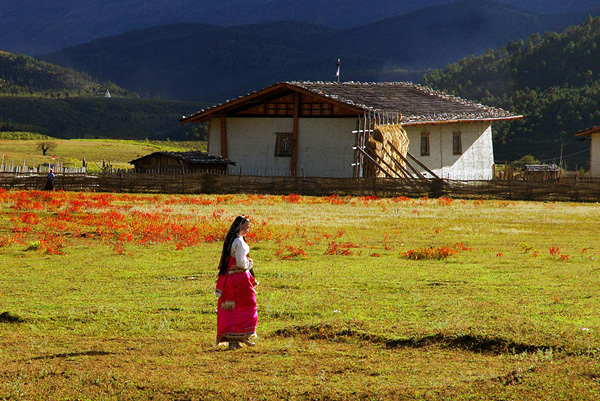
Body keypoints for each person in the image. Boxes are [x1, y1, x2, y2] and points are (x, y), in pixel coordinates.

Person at [215, 215, 258, 350]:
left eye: (248, 227)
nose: (247, 230)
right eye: (244, 227)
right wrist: (249, 264)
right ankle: (242, 335)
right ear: (238, 227)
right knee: (248, 305)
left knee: (233, 309)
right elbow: (240, 263)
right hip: (239, 279)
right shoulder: (239, 242)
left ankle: (235, 339)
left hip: (230, 280)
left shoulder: (232, 240)